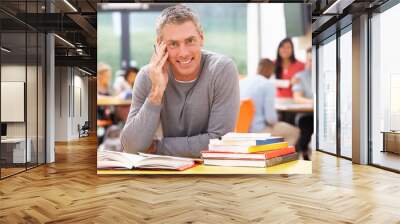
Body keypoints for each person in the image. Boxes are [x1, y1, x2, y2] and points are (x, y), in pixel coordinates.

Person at [120, 5, 240, 158]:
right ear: (160, 45)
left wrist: (158, 148)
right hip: (163, 175)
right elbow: (131, 147)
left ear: (201, 38)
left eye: (190, 40)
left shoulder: (221, 70)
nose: (183, 53)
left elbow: (221, 142)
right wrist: (156, 92)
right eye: (173, 44)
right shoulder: (147, 76)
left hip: (210, 172)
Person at [240, 58, 299, 146]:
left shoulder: (242, 82)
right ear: (271, 71)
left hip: (240, 130)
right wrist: (277, 119)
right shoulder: (267, 84)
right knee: (294, 132)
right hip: (258, 130)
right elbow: (270, 119)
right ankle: (281, 158)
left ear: (258, 68)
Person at [292, 48, 313, 160]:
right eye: (309, 60)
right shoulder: (300, 76)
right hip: (306, 115)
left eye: (314, 59)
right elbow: (297, 97)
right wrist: (315, 102)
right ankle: (302, 154)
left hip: (325, 115)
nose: (311, 63)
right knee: (305, 134)